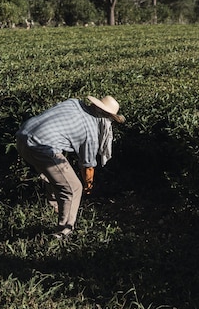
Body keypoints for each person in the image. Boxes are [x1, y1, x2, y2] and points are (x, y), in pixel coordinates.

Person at [16, 95, 125, 239]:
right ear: (106, 118)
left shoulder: (74, 103)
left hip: (22, 136)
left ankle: (56, 206)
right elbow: (88, 167)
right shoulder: (91, 132)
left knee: (57, 173)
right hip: (41, 146)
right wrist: (88, 188)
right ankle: (63, 232)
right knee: (73, 188)